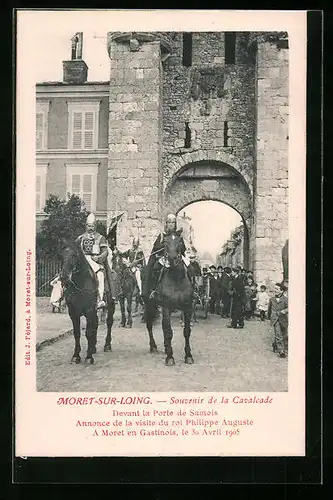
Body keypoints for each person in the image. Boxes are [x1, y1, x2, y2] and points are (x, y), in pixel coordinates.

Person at [143, 214, 188, 300]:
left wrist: (178, 247)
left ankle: (189, 291)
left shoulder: (179, 236)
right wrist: (164, 246)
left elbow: (183, 249)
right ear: (166, 224)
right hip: (164, 258)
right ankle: (153, 290)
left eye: (173, 223)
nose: (171, 224)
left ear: (175, 224)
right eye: (169, 222)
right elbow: (156, 247)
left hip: (176, 258)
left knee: (189, 269)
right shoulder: (162, 235)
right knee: (155, 268)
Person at [76, 212, 108, 309]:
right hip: (82, 260)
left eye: (93, 226)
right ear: (86, 226)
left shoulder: (100, 238)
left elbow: (105, 252)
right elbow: (75, 251)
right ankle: (63, 297)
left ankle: (100, 299)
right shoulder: (80, 238)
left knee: (100, 274)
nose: (91, 228)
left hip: (95, 261)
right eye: (89, 226)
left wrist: (98, 258)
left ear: (95, 227)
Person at [268, 282, 288, 358]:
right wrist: (269, 317)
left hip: (283, 319)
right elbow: (269, 309)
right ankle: (281, 351)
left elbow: (289, 307)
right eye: (274, 289)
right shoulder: (272, 299)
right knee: (278, 334)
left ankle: (275, 344)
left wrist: (285, 311)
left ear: (281, 291)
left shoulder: (285, 299)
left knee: (284, 334)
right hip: (275, 319)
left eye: (277, 289)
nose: (275, 290)